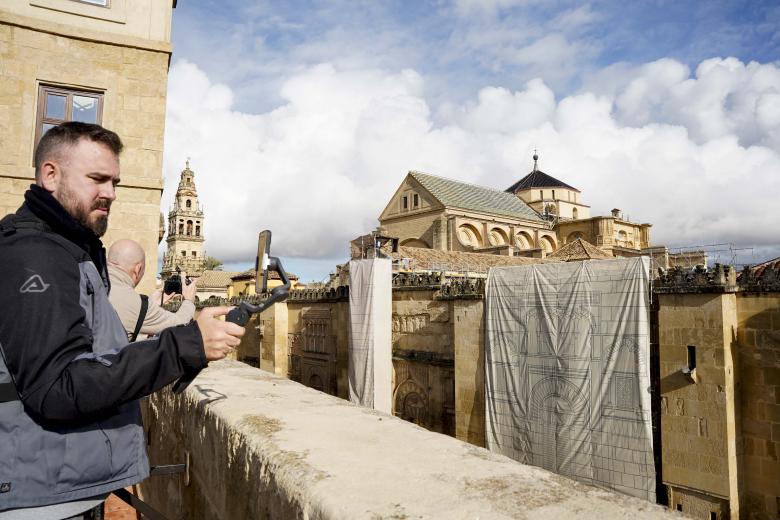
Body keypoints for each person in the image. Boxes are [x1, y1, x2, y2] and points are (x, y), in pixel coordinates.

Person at [0, 122, 244, 519]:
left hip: (59, 488)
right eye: (97, 179)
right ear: (50, 174)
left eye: (114, 181)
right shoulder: (36, 255)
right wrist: (188, 344)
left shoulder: (69, 249)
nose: (110, 193)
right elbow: (58, 386)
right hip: (39, 501)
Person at [107, 239, 196, 340]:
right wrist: (189, 300)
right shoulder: (136, 304)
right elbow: (180, 324)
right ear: (138, 269)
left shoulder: (92, 278)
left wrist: (149, 305)